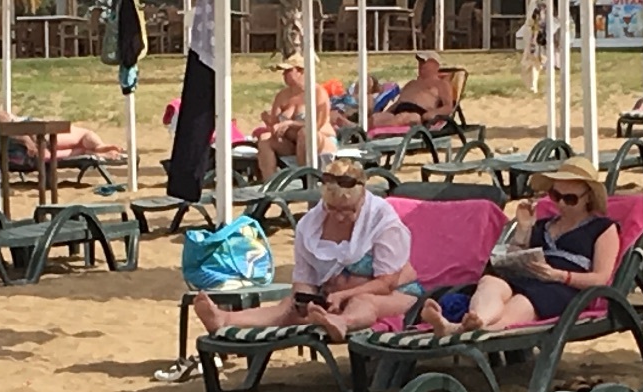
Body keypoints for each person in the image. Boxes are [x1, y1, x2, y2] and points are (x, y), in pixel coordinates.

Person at [192, 159, 424, 343]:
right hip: (331, 299)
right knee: (289, 307)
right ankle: (224, 319)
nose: (340, 216)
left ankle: (343, 323)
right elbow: (304, 277)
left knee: (364, 302)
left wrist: (343, 295)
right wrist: (306, 299)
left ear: (362, 199)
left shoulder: (382, 221)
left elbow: (386, 283)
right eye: (332, 209)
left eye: (348, 210)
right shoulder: (311, 226)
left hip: (396, 296)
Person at [420, 157, 620, 335]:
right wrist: (524, 229)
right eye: (555, 195)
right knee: (491, 282)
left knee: (524, 300)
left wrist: (559, 275)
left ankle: (461, 328)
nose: (561, 204)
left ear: (589, 198)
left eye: (570, 199)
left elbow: (601, 278)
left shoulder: (603, 229)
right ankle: (477, 321)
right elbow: (517, 255)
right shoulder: (544, 224)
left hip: (562, 289)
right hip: (528, 278)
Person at [255, 53, 338, 177]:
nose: (284, 75)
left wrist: (290, 123)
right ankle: (269, 184)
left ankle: (306, 178)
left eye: (288, 71)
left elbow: (316, 125)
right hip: (290, 142)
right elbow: (274, 123)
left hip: (319, 140)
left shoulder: (318, 93)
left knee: (305, 133)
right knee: (265, 140)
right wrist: (271, 123)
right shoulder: (282, 95)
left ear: (301, 71)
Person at [0, 109, 126, 162]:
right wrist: (27, 141)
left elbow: (3, 119)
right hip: (34, 132)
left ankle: (93, 150)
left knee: (82, 140)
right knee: (83, 136)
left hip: (34, 133)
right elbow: (2, 119)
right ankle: (95, 149)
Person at [369, 51, 455, 128]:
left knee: (404, 118)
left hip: (418, 114)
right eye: (420, 62)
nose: (420, 65)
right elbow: (398, 102)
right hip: (398, 110)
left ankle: (378, 132)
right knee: (375, 118)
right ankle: (362, 135)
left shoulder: (441, 84)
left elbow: (448, 107)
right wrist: (386, 112)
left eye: (424, 62)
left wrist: (433, 113)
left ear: (435, 65)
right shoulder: (411, 83)